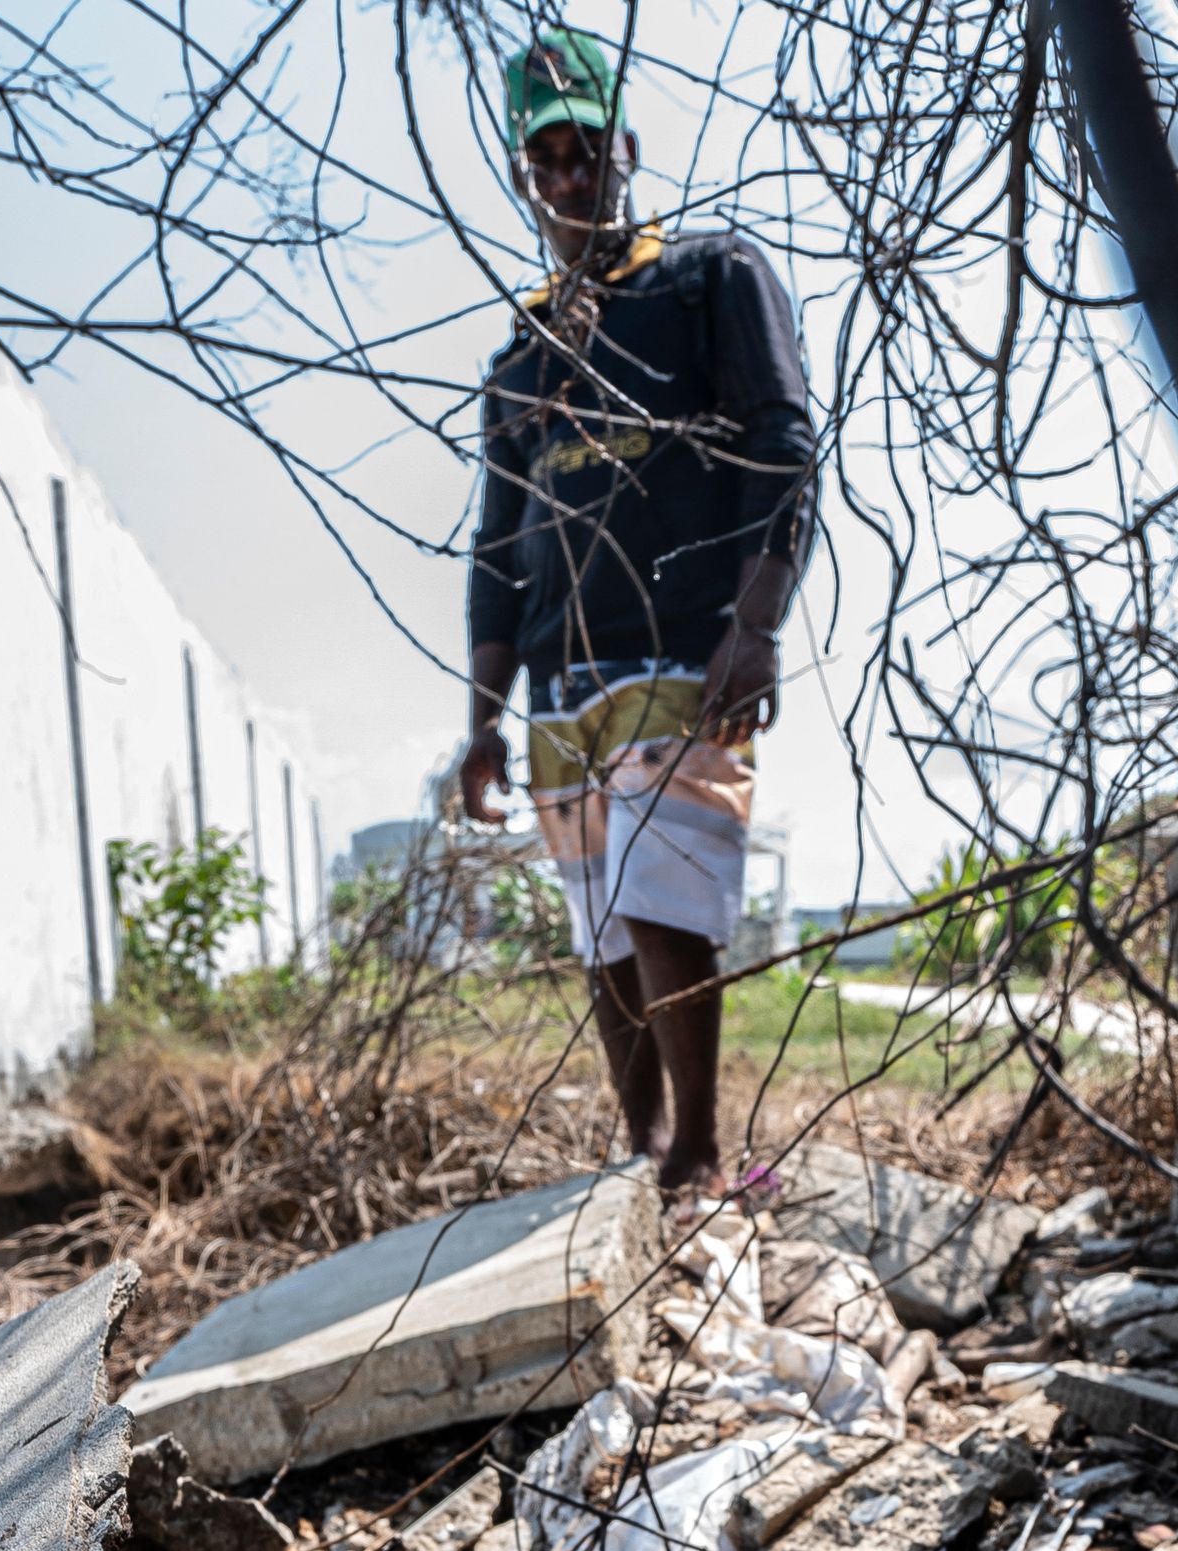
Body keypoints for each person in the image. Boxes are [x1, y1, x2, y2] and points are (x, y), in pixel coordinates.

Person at [456, 24, 817, 1197]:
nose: (571, 176)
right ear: (525, 175)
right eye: (548, 157)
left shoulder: (708, 277)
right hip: (563, 676)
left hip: (683, 648)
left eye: (589, 150)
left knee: (667, 906)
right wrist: (483, 717)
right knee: (601, 932)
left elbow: (783, 445)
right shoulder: (520, 357)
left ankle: (700, 1160)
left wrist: (754, 624)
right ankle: (642, 1154)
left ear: (627, 151)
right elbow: (497, 550)